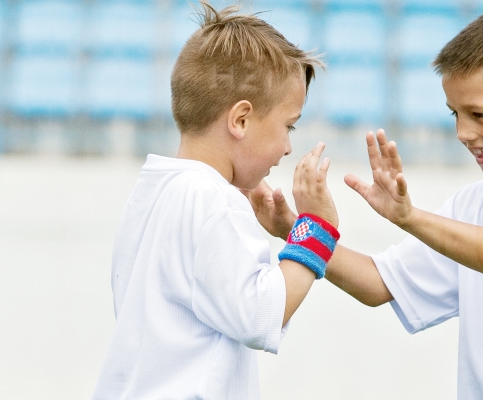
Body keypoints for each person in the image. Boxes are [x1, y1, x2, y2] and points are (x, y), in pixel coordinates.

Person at [250, 7, 483, 399]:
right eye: (455, 114)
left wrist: (408, 218)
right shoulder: (472, 205)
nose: (462, 131)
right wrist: (296, 228)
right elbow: (378, 284)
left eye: (479, 114)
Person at [92, 4, 337, 399]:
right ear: (240, 120)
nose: (289, 146)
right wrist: (316, 228)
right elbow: (261, 315)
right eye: (288, 125)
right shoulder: (213, 199)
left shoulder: (154, 189)